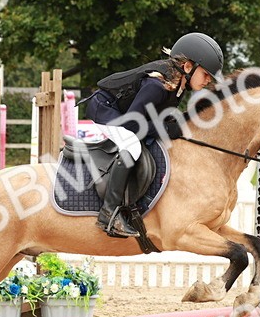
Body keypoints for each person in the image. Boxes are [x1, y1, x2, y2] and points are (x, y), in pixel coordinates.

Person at [84, 32, 223, 237]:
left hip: (124, 114)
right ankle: (108, 213)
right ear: (187, 67)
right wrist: (165, 128)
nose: (208, 80)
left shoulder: (178, 85)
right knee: (131, 144)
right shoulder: (156, 85)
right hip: (105, 110)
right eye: (205, 74)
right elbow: (132, 123)